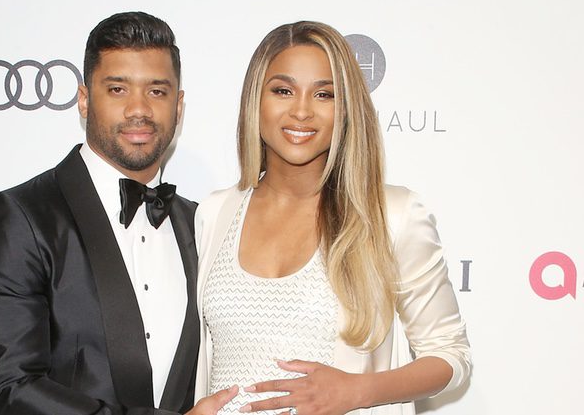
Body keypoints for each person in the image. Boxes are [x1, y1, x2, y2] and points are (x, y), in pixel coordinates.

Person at [0, 11, 236, 415]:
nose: (138, 110)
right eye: (118, 89)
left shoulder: (201, 224)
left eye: (157, 92)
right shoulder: (20, 217)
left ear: (179, 107)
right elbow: (11, 390)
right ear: (84, 99)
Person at [194, 21, 471, 415]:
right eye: (283, 90)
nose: (302, 110)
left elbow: (450, 355)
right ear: (256, 100)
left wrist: (357, 391)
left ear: (346, 109)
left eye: (324, 94)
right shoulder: (215, 212)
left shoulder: (392, 215)